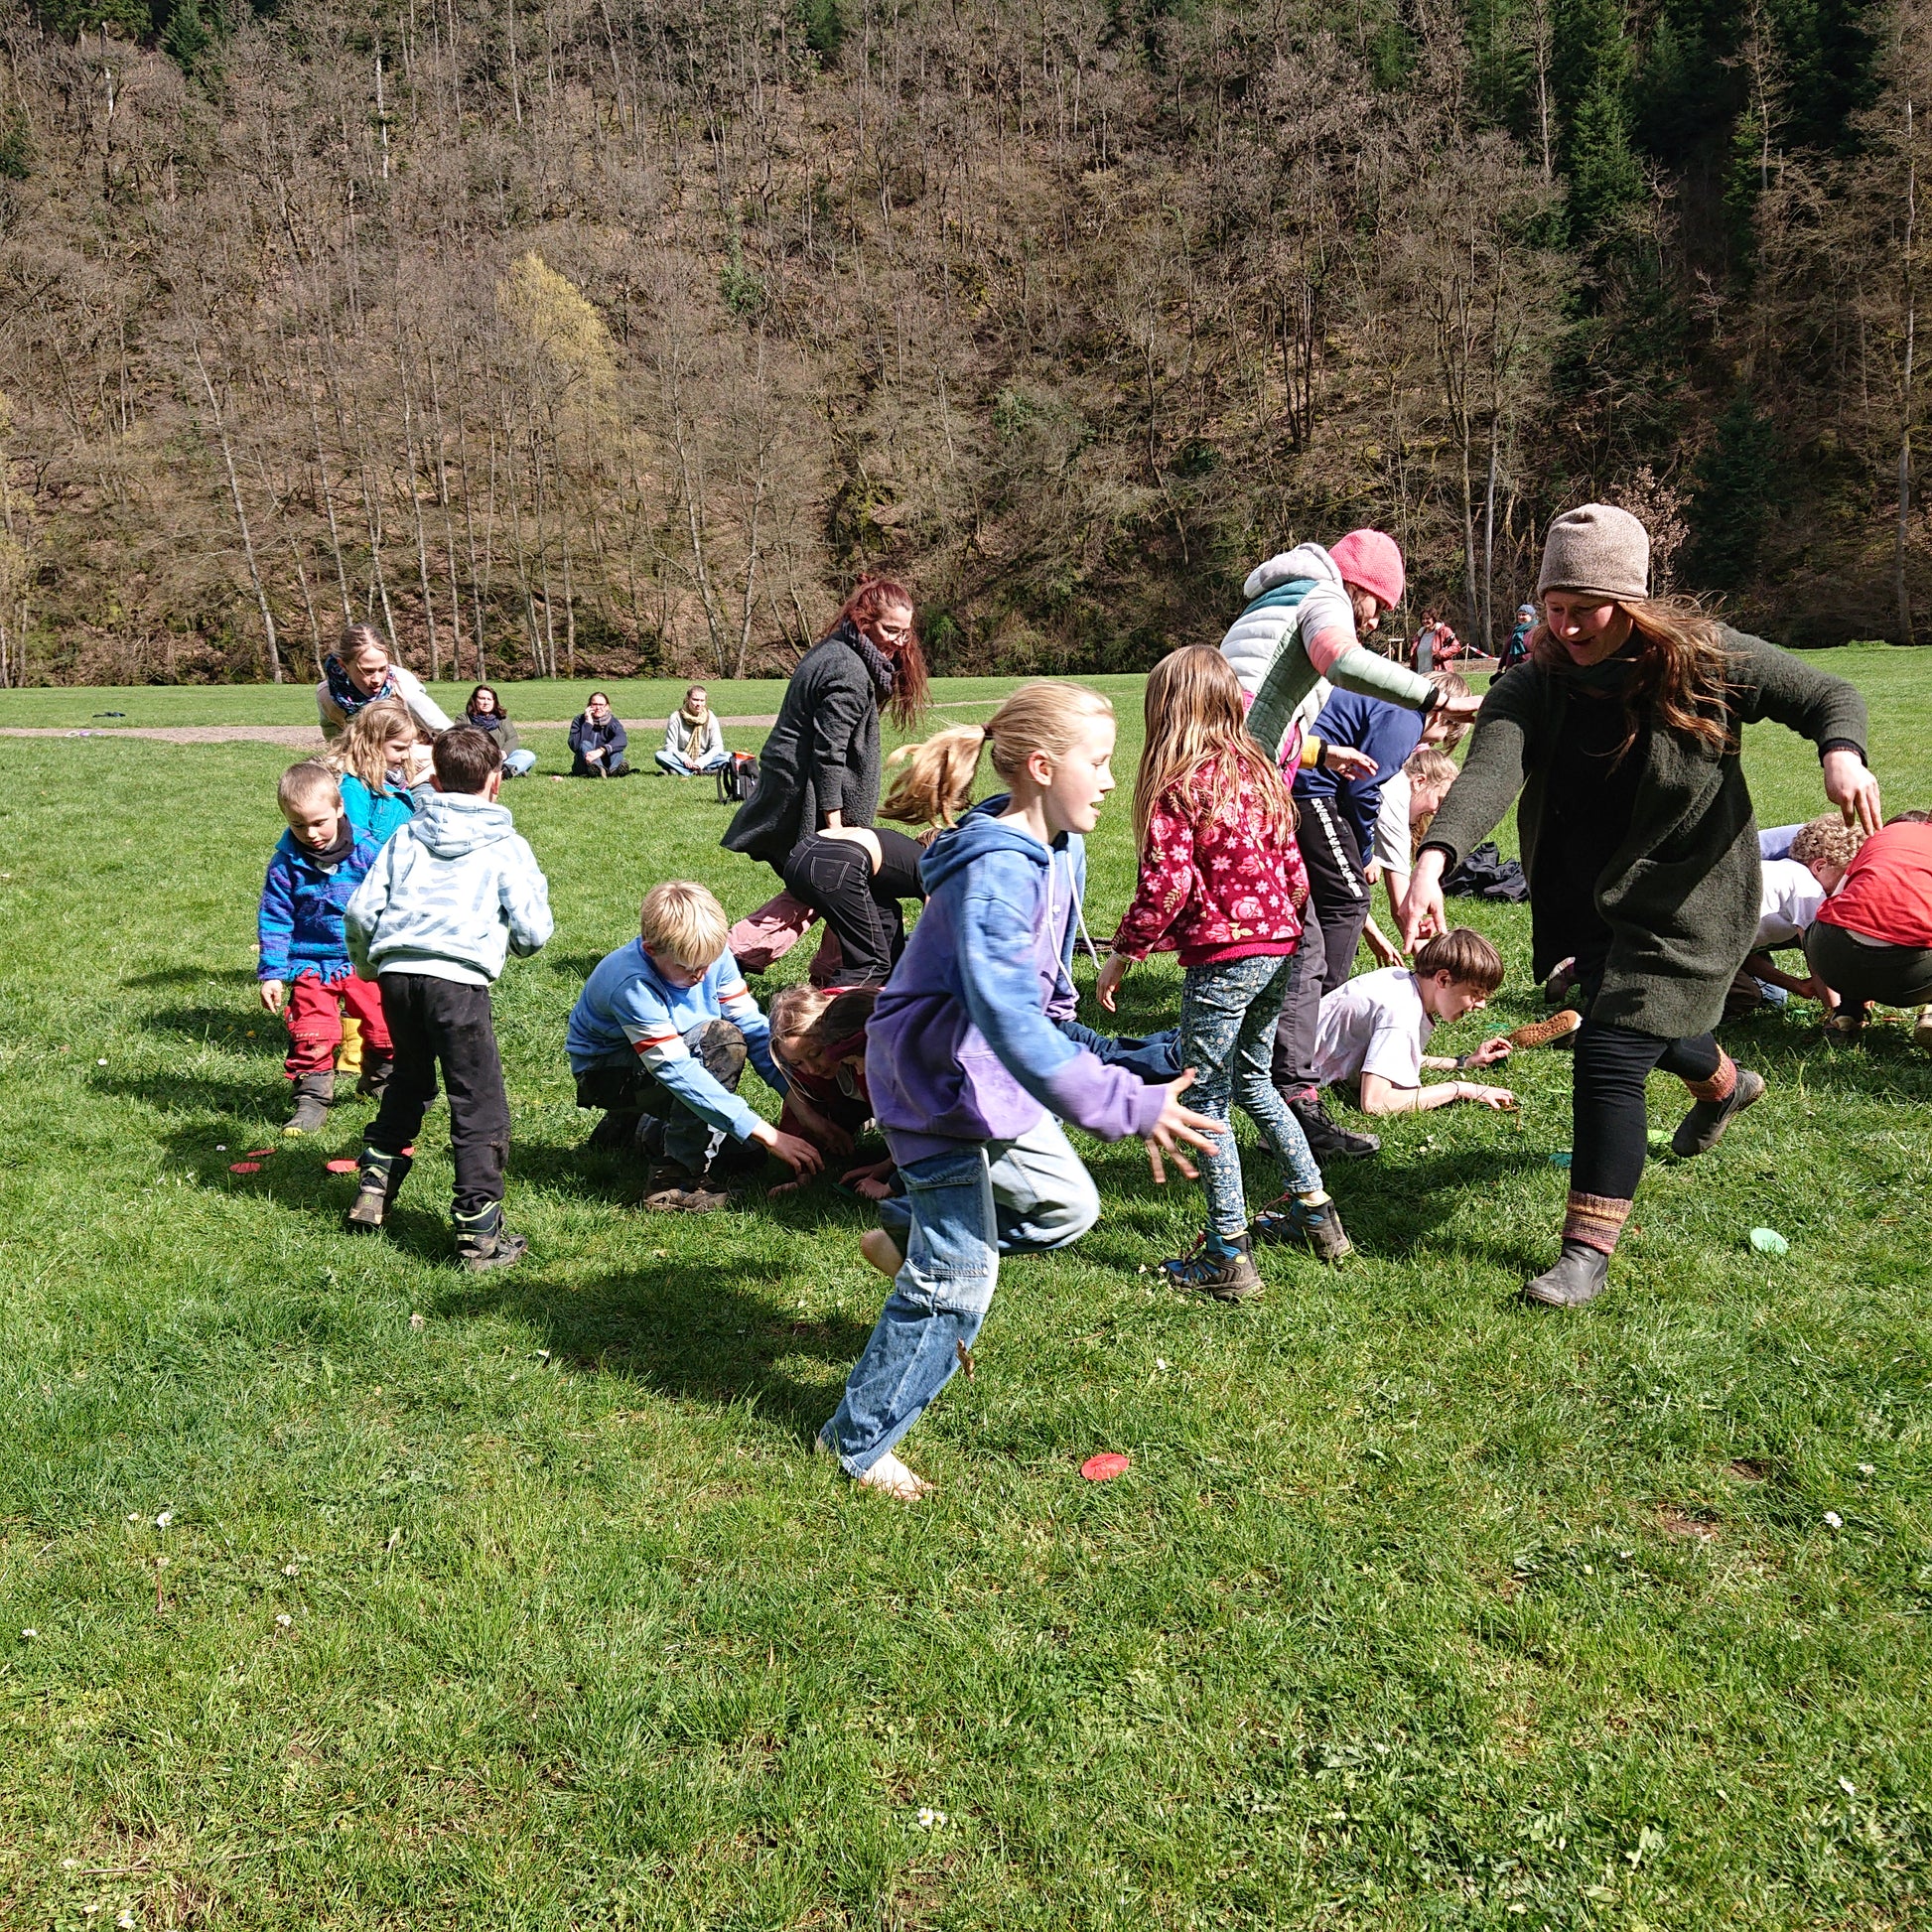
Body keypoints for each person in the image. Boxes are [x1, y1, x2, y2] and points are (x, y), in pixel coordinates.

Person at [1402, 502, 1880, 1311]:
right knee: (1643, 1020)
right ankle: (1725, 1084)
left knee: (1612, 1052)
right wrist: (1433, 859)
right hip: (1588, 898)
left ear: (1630, 601)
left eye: (1584, 611)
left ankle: (1584, 1253)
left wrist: (1842, 755)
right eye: (1553, 610)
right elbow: (1491, 769)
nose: (1567, 628)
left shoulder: (1705, 660)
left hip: (1692, 891)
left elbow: (1827, 693)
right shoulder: (1534, 680)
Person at [820, 682, 1223, 1501]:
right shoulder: (997, 870)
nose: (1114, 782)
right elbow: (1006, 1013)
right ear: (1042, 767)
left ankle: (904, 1234)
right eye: (1100, 764)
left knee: (1067, 1209)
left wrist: (1123, 1056)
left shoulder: (1052, 845)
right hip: (935, 1083)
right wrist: (1122, 1103)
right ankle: (857, 1443)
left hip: (993, 1079)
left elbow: (1039, 1006)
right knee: (962, 1277)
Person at [1094, 647, 1346, 1303]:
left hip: (1227, 958)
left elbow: (1167, 885)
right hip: (1281, 946)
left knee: (1205, 1101)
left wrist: (1124, 953)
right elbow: (1296, 873)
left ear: (1166, 710)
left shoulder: (1179, 783)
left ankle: (1226, 1253)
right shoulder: (1259, 770)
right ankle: (1315, 1210)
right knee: (1256, 1081)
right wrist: (1275, 937)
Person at [343, 725, 555, 1270]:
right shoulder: (507, 845)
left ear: (435, 779)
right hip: (457, 983)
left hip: (397, 977)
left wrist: (371, 966)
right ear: (496, 782)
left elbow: (363, 910)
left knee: (410, 1079)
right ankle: (477, 1230)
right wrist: (515, 937)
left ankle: (374, 1183)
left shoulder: (407, 836)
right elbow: (533, 930)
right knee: (476, 1099)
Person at [1272, 669, 1472, 1161]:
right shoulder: (1405, 719)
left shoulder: (1391, 707)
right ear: (1444, 717)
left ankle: (1303, 1030)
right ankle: (1308, 1035)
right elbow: (1364, 793)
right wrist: (1360, 853)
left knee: (1331, 909)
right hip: (1307, 787)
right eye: (1447, 735)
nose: (1438, 742)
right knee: (1346, 900)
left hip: (1307, 783)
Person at [566, 882, 822, 1209]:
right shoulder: (631, 983)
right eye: (688, 968)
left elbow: (755, 1031)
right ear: (651, 950)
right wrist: (771, 1134)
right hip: (609, 1076)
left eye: (708, 963)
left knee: (747, 1154)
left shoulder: (714, 957)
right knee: (722, 1040)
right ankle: (674, 1180)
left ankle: (635, 1128)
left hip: (663, 1058)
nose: (701, 976)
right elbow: (677, 1070)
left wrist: (799, 1103)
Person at [722, 579, 931, 976]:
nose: (899, 642)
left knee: (842, 889)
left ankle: (830, 974)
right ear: (863, 619)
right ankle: (731, 956)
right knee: (823, 881)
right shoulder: (848, 670)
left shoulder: (838, 651)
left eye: (905, 633)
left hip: (794, 790)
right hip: (808, 800)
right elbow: (828, 753)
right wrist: (836, 826)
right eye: (890, 630)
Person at [1219, 529, 1470, 776]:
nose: (1374, 623)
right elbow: (1344, 662)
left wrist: (1321, 754)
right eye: (1379, 607)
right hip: (1241, 765)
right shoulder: (1327, 596)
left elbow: (1270, 717)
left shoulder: (1285, 597)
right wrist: (1444, 701)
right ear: (1358, 586)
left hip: (1220, 750)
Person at [256, 760, 391, 1135]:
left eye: (319, 822)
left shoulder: (368, 852)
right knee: (312, 1031)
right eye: (298, 825)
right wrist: (272, 973)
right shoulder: (286, 865)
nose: (311, 834)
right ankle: (311, 1099)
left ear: (339, 809)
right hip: (310, 960)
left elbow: (391, 903)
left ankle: (380, 1083)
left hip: (364, 960)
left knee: (384, 1027)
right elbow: (275, 918)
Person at [1312, 927, 1515, 1115]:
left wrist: (1462, 1063)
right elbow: (1375, 1102)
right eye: (1476, 993)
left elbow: (1391, 1058)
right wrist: (1461, 1088)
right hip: (1287, 1074)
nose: (1481, 1005)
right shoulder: (1401, 1011)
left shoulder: (1400, 979)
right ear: (1443, 979)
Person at [1805, 813, 1932, 1048]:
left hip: (1831, 958)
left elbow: (1839, 893)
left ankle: (1847, 1013)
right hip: (1908, 979)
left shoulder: (1889, 833)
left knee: (1850, 919)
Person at [765, 984, 896, 1200]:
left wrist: (891, 1170)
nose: (811, 1068)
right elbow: (800, 1116)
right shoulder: (808, 1071)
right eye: (797, 1063)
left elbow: (915, 1116)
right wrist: (803, 1172)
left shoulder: (866, 1035)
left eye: (816, 1053)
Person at [1726, 815, 1864, 1015]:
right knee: (1745, 997)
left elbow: (1741, 956)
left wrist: (1797, 986)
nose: (1846, 890)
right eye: (1845, 881)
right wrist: (1837, 1012)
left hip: (1720, 946)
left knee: (1771, 997)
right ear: (1819, 866)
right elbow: (1817, 958)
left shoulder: (1783, 874)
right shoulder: (1807, 888)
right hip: (1701, 946)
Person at [1362, 745, 1462, 965]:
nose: (1436, 811)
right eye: (1440, 800)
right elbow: (1403, 905)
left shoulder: (1391, 781)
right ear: (1419, 782)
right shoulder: (1395, 794)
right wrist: (1432, 970)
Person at [315, 621, 452, 741]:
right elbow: (332, 735)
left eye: (382, 669)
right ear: (343, 665)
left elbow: (448, 733)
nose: (377, 679)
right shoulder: (328, 695)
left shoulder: (403, 689)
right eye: (367, 671)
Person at [325, 697, 427, 845]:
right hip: (374, 865)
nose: (405, 756)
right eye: (398, 748)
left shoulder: (396, 780)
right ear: (373, 744)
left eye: (408, 747)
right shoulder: (354, 788)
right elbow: (356, 840)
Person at [655, 685, 731, 777]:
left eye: (702, 700)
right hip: (682, 758)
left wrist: (701, 762)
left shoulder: (710, 716)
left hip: (704, 759)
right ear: (687, 699)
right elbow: (670, 746)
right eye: (695, 700)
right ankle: (702, 772)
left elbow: (718, 746)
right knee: (660, 755)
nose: (698, 704)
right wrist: (684, 758)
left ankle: (678, 771)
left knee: (727, 757)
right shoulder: (676, 717)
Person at [465, 685, 537, 777]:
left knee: (527, 755)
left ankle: (503, 772)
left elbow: (512, 738)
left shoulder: (502, 718)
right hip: (477, 758)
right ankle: (511, 771)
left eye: (489, 699)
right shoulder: (465, 718)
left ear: (494, 702)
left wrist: (505, 752)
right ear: (475, 700)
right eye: (482, 698)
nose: (486, 702)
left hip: (502, 758)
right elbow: (462, 740)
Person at [568, 692, 629, 776]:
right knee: (585, 744)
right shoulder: (579, 720)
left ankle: (615, 770)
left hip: (606, 760)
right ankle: (598, 769)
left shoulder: (613, 722)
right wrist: (587, 724)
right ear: (589, 706)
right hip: (584, 762)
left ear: (607, 706)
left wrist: (602, 750)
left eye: (601, 705)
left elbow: (622, 739)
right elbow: (574, 745)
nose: (598, 707)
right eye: (594, 704)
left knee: (616, 749)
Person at [1498, 604, 1538, 672]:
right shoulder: (1514, 630)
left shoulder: (1537, 631)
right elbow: (1506, 650)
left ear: (1531, 616)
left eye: (1524, 614)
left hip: (1529, 670)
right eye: (1519, 615)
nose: (1520, 617)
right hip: (1511, 669)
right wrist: (1500, 666)